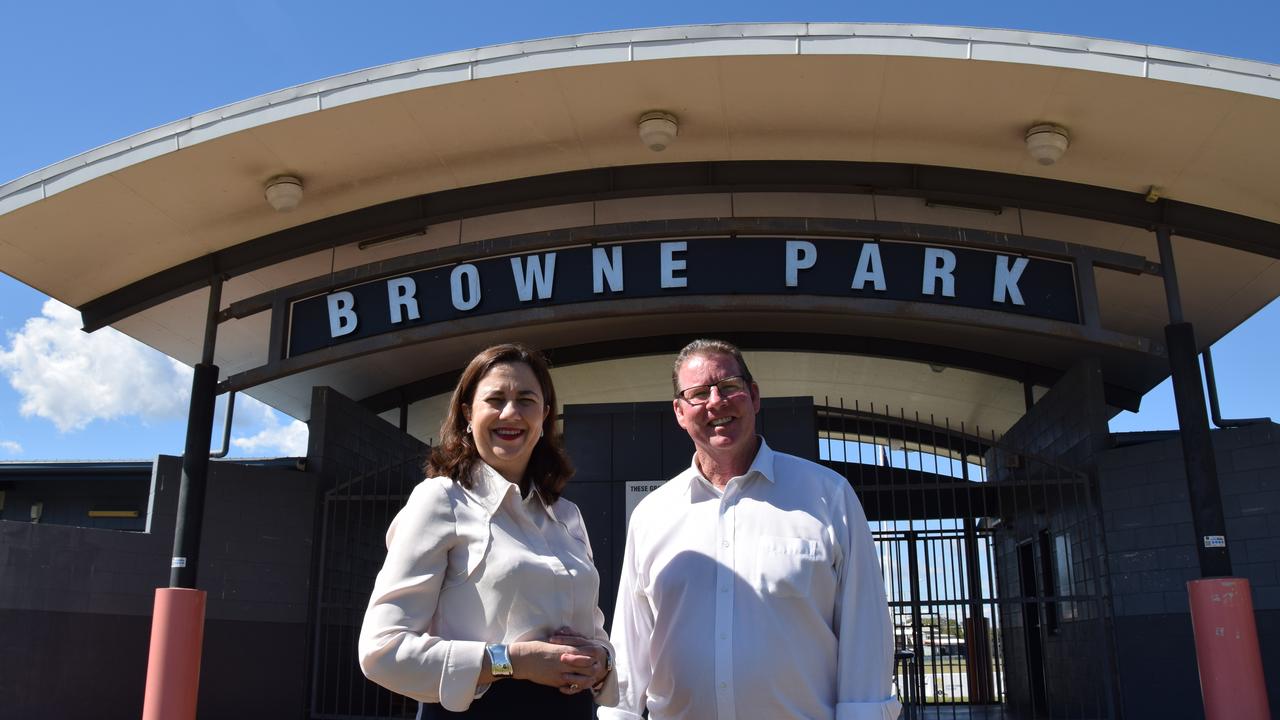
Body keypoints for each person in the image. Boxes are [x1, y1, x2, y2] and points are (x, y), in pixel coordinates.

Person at [599, 339, 901, 720]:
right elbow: (631, 641)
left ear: (754, 396)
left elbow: (866, 630)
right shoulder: (651, 514)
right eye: (697, 394)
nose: (716, 402)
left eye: (728, 387)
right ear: (679, 412)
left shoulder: (829, 496)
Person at [359, 343, 617, 718]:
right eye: (495, 399)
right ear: (467, 413)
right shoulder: (441, 500)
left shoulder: (568, 516)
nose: (510, 412)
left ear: (544, 415)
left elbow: (595, 632)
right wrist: (509, 662)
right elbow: (381, 652)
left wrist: (602, 661)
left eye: (526, 400)